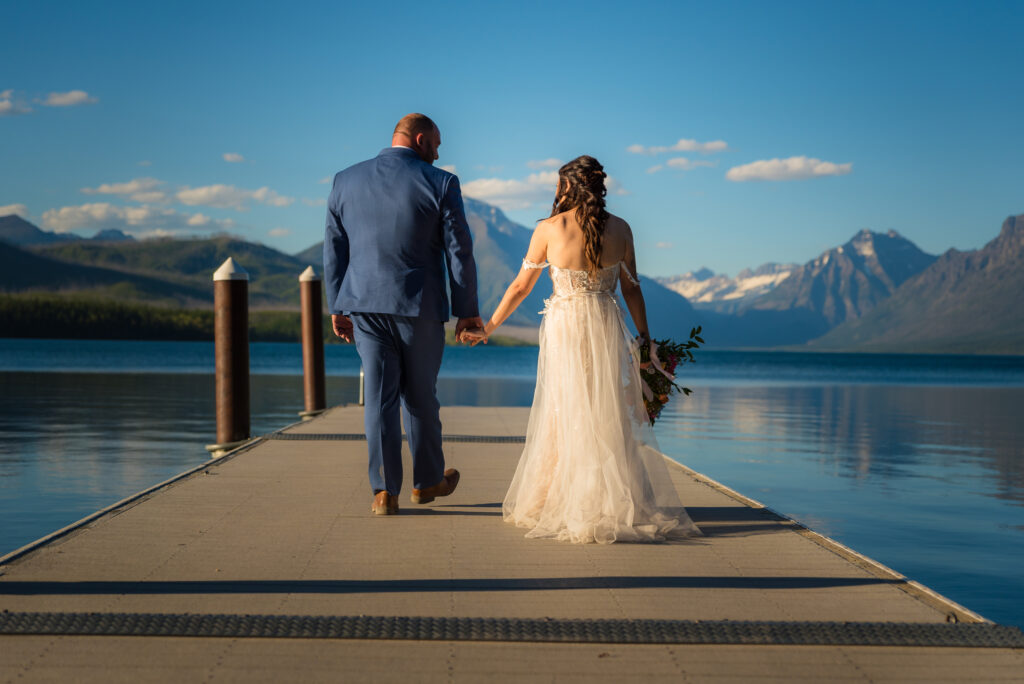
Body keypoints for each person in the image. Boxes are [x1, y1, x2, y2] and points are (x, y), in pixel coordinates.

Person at [463, 155, 702, 543]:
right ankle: (610, 498)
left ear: (568, 187)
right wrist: (645, 339)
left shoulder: (549, 228)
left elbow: (520, 287)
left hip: (566, 327)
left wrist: (489, 327)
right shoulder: (622, 228)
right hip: (607, 325)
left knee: (564, 408)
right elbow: (632, 289)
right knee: (604, 408)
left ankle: (558, 499)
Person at [324, 113, 483, 516]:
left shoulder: (345, 180)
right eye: (437, 143)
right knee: (420, 397)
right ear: (419, 140)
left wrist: (338, 305)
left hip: (363, 305)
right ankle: (427, 481)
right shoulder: (442, 182)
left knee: (378, 399)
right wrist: (467, 312)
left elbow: (334, 249)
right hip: (420, 307)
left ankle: (383, 492)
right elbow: (458, 252)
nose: (439, 151)